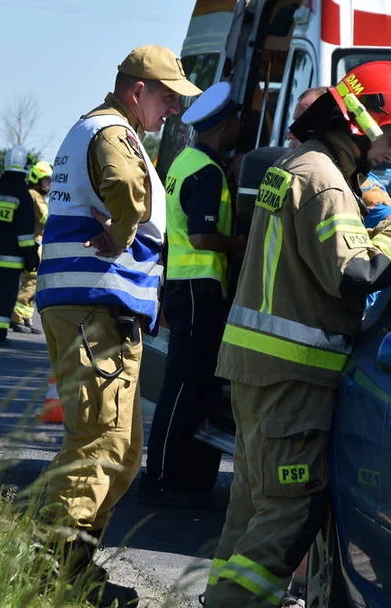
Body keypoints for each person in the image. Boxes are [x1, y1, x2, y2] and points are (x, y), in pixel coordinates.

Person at [203, 61, 391, 608]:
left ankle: (219, 599)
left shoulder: (299, 166)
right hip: (295, 378)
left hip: (258, 371)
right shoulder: (324, 180)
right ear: (365, 122)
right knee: (287, 513)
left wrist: (372, 213)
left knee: (251, 508)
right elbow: (356, 276)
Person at [35, 44, 200, 606]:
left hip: (98, 312)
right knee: (98, 441)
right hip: (95, 310)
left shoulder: (100, 127)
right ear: (137, 92)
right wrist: (120, 234)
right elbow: (127, 191)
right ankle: (55, 574)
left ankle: (77, 566)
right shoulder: (114, 133)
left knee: (123, 450)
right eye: (168, 97)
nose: (173, 110)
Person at [138, 81, 247, 508]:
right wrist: (244, 244)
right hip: (200, 290)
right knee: (184, 389)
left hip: (185, 288)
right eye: (236, 120)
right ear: (223, 126)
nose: (240, 126)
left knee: (189, 386)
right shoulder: (205, 171)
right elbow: (202, 237)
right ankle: (161, 476)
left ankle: (178, 474)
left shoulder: (185, 161)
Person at [0, 145, 39, 346]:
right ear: (25, 167)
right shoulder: (22, 195)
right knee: (7, 297)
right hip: (13, 259)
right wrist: (31, 255)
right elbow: (25, 233)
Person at [11, 160, 53, 334]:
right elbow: (45, 218)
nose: (49, 185)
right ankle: (16, 317)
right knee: (31, 281)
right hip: (34, 243)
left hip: (39, 243)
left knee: (34, 283)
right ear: (37, 178)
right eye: (46, 180)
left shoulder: (38, 196)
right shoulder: (33, 195)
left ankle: (26, 318)